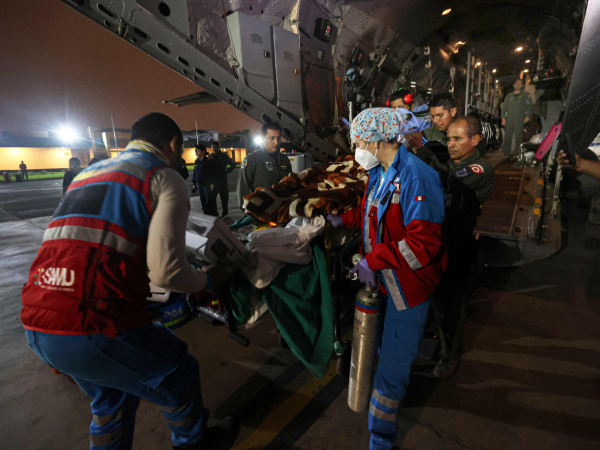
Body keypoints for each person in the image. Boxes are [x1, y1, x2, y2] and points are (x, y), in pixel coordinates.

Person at [21, 112, 234, 450]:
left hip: (37, 319)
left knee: (113, 395)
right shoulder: (163, 176)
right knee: (178, 371)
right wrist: (207, 280)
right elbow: (168, 273)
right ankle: (195, 443)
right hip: (90, 323)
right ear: (175, 145)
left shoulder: (87, 173)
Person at [327, 108, 446, 450]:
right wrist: (344, 220)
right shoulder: (379, 173)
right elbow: (372, 214)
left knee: (391, 371)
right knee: (380, 353)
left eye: (359, 141)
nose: (356, 148)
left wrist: (373, 259)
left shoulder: (417, 177)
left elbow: (423, 245)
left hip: (408, 290)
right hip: (382, 282)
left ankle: (381, 439)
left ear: (377, 140)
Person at [414, 116, 495, 378]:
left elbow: (445, 183)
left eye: (457, 139)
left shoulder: (480, 169)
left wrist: (421, 150)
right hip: (435, 241)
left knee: (449, 305)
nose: (450, 144)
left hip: (456, 245)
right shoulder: (451, 161)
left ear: (475, 140)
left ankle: (450, 357)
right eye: (449, 138)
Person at [236, 122, 292, 210]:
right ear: (263, 138)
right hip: (261, 210)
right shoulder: (252, 159)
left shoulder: (284, 159)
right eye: (272, 138)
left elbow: (290, 183)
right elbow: (243, 186)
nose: (276, 142)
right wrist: (245, 209)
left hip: (282, 209)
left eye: (278, 138)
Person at [501, 78, 532, 157]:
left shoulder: (525, 95)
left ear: (522, 85)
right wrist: (503, 118)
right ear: (513, 85)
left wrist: (528, 116)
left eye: (520, 83)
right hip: (509, 119)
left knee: (519, 136)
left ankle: (517, 152)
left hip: (520, 119)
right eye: (517, 83)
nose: (518, 85)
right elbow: (504, 108)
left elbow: (529, 107)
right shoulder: (509, 96)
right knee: (508, 135)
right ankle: (506, 152)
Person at [209, 142, 236, 218]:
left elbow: (233, 164)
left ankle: (225, 213)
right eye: (213, 147)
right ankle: (215, 213)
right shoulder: (211, 156)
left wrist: (226, 171)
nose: (214, 149)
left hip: (222, 180)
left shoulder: (224, 156)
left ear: (219, 147)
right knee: (212, 198)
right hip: (213, 181)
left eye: (215, 147)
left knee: (224, 198)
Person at [192, 145, 218, 216]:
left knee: (209, 201)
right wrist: (194, 183)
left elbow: (213, 173)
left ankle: (212, 215)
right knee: (202, 200)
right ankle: (205, 215)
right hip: (200, 184)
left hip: (207, 184)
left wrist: (212, 183)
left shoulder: (208, 161)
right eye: (196, 150)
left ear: (203, 151)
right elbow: (195, 173)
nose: (196, 152)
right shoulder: (197, 161)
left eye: (198, 150)